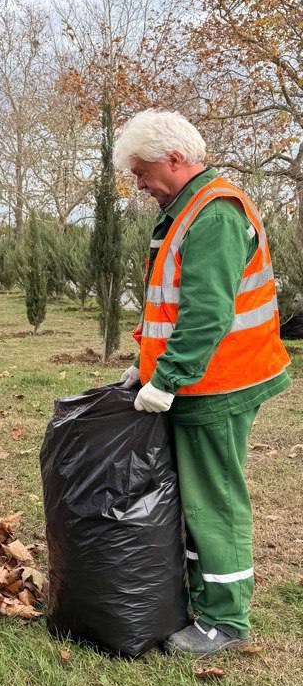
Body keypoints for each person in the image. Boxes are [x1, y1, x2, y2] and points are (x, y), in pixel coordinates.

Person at [113, 110, 290, 656]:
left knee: (214, 497)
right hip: (202, 380)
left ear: (174, 159)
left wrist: (166, 378)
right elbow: (167, 300)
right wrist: (144, 363)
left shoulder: (213, 214)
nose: (138, 183)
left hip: (221, 382)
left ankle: (226, 620)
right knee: (196, 495)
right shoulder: (184, 210)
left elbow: (207, 314)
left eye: (142, 171)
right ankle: (202, 598)